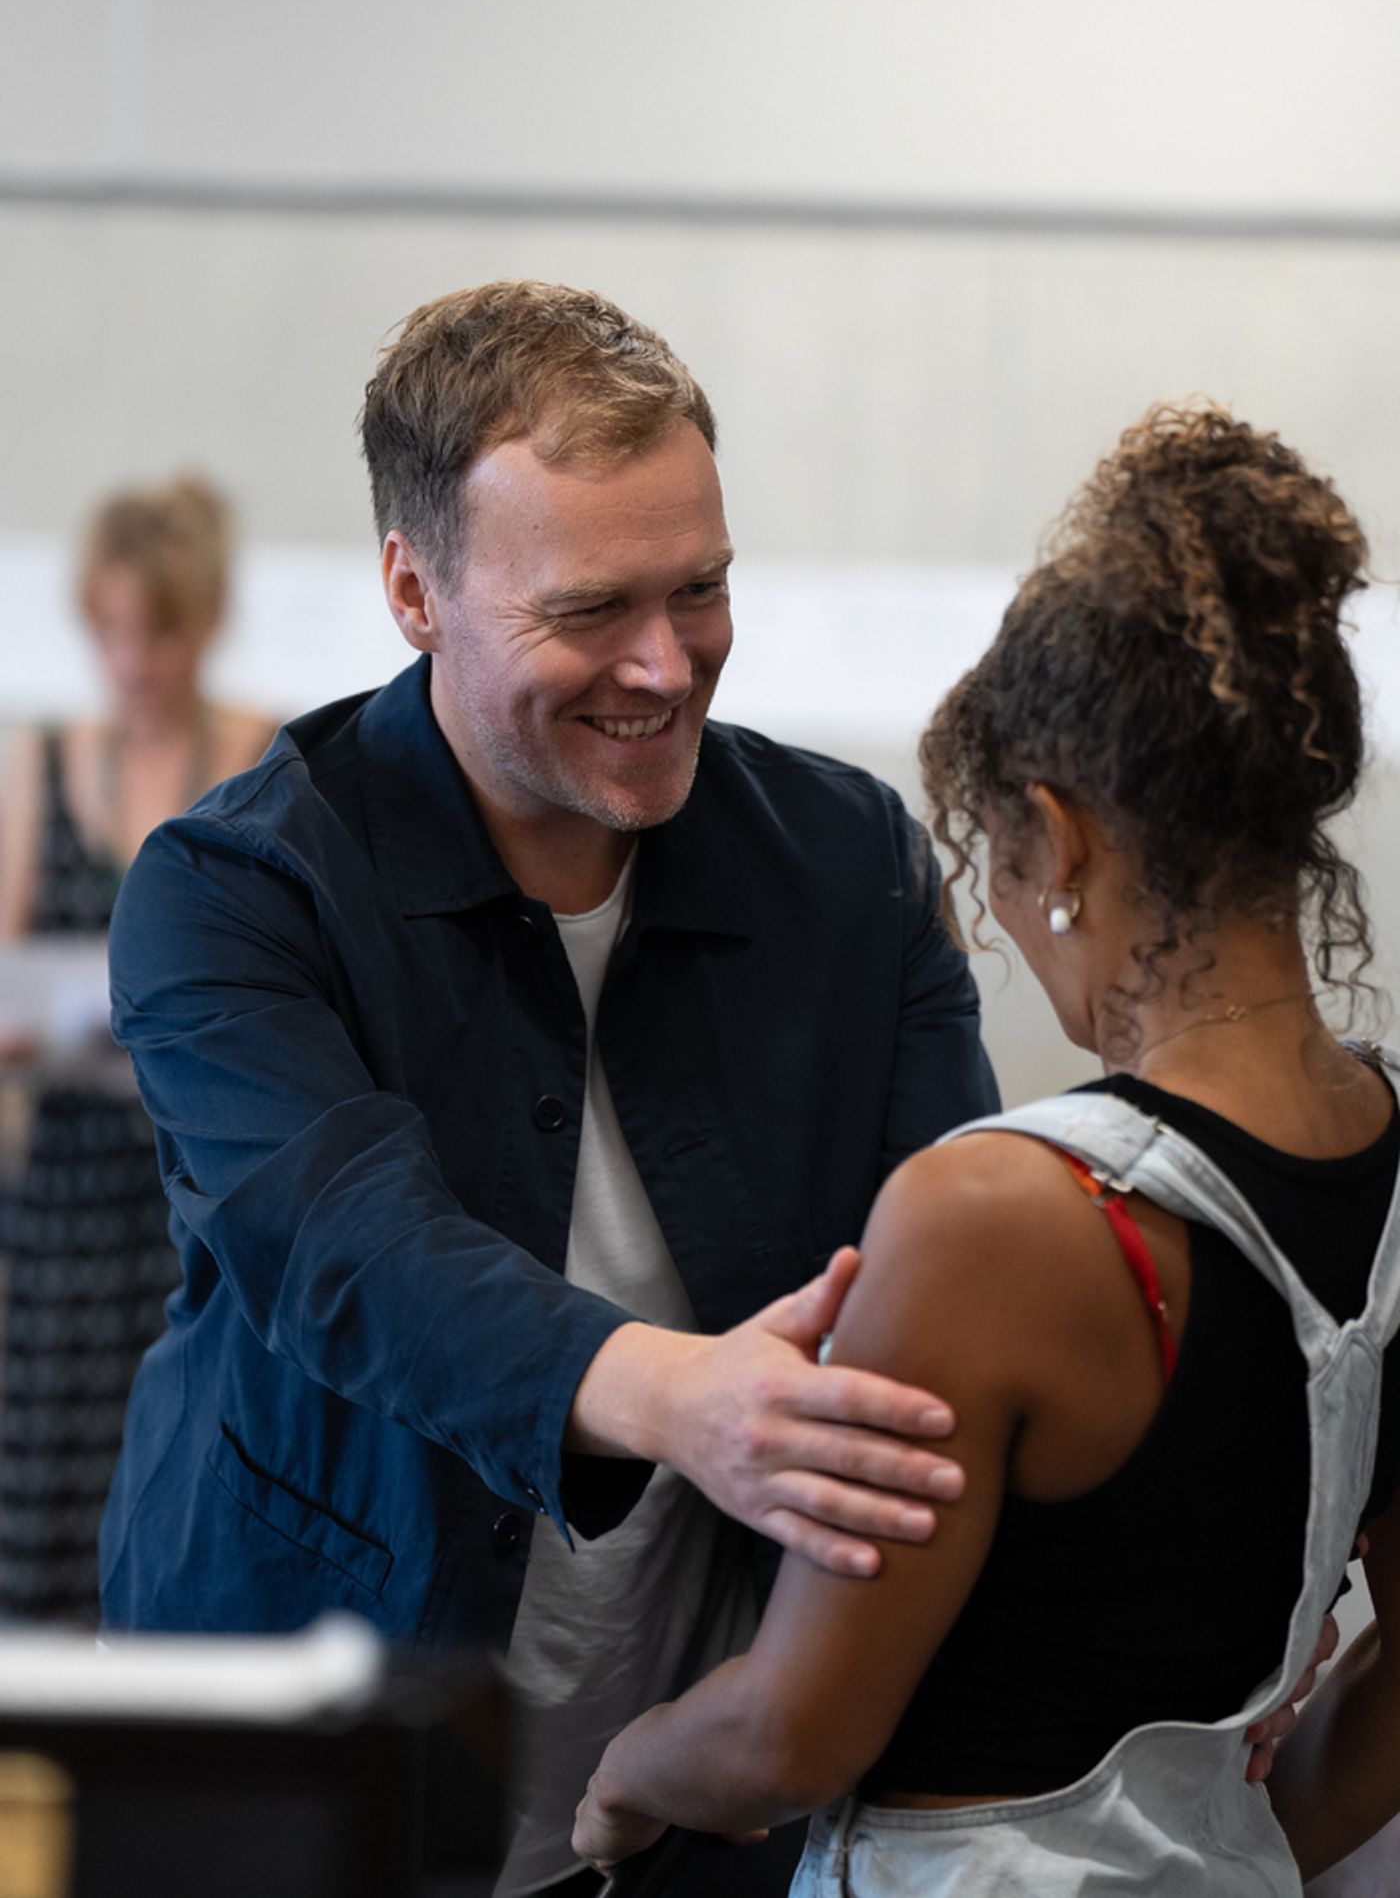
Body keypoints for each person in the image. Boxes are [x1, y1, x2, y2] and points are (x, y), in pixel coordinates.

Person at [98, 282, 998, 1893]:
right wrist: (686, 1398)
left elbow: (962, 1276)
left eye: (703, 588)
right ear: (414, 589)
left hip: (692, 1788)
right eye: (591, 610)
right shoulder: (234, 887)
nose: (665, 665)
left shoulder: (852, 869)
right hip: (297, 1746)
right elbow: (347, 1251)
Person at [573, 404, 1400, 1894]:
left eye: (998, 869)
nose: (1009, 917)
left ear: (1058, 835)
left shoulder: (1000, 1215)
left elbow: (790, 1737)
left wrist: (626, 1772)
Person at [0, 475, 274, 1623]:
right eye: (106, 630)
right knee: (58, 1472)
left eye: (153, 632)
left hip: (203, 1173)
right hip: (70, 1179)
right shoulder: (41, 759)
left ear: (202, 623)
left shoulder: (261, 755)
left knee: (199, 1460)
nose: (129, 660)